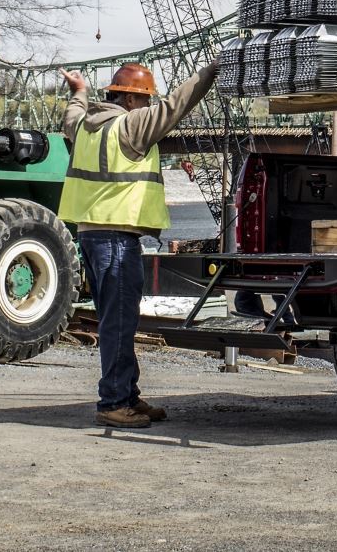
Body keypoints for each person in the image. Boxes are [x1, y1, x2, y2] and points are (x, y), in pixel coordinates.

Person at [58, 61, 219, 429]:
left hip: (90, 234)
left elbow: (74, 110)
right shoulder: (131, 125)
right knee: (119, 321)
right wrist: (211, 71)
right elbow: (176, 105)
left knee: (117, 319)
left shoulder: (83, 126)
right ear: (130, 99)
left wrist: (79, 90)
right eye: (146, 99)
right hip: (116, 237)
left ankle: (126, 394)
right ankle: (114, 401)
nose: (150, 106)